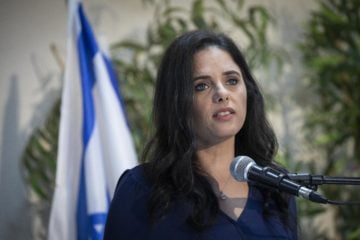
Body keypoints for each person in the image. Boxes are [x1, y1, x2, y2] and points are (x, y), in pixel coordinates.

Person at [104, 30, 298, 239]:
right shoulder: (141, 189)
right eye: (201, 86)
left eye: (232, 81)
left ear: (248, 92)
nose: (222, 94)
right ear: (177, 102)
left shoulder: (275, 189)